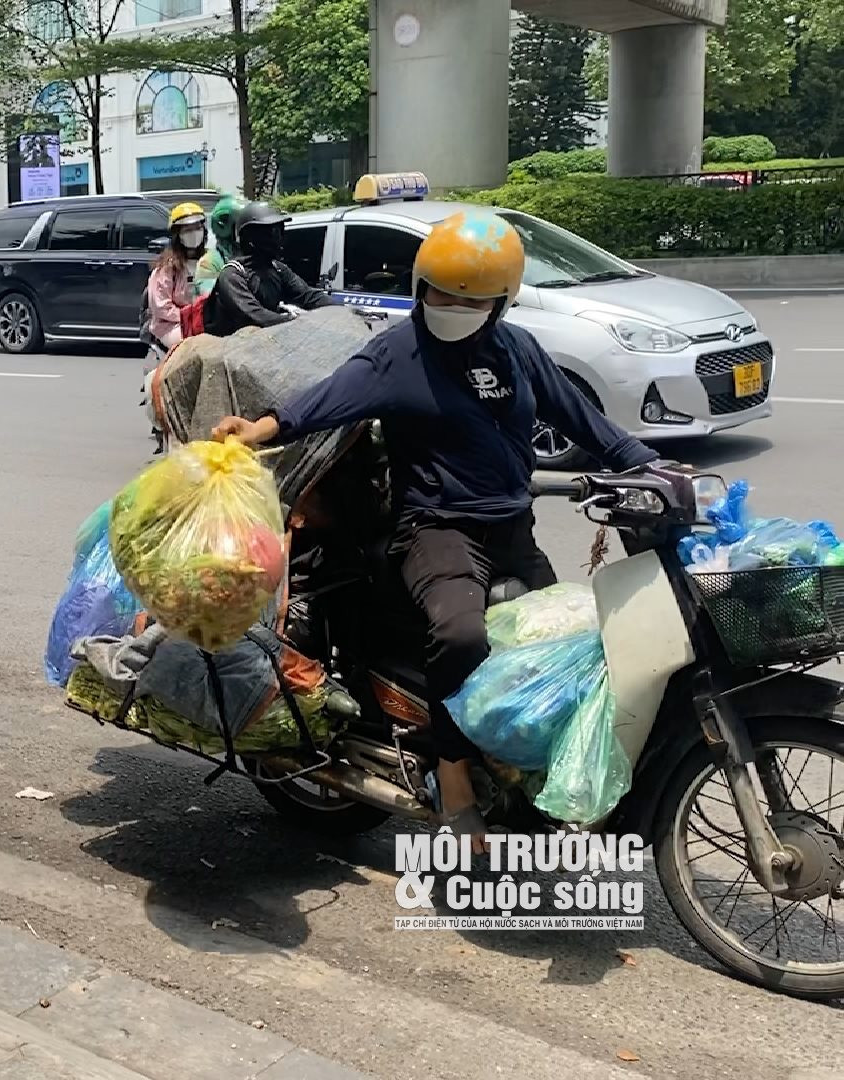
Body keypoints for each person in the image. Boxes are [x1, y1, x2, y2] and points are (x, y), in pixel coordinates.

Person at [209, 209, 657, 851]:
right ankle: (453, 776)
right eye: (439, 291)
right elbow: (332, 395)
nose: (450, 305)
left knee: (559, 646)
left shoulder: (519, 350)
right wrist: (263, 428)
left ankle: (518, 767)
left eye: (468, 297)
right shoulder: (399, 351)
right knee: (461, 632)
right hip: (434, 529)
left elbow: (584, 421)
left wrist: (650, 466)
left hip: (511, 528)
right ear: (420, 286)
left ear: (500, 302)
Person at [204, 201, 333, 336]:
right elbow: (255, 315)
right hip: (232, 348)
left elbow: (308, 295)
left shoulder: (277, 268)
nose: (280, 239)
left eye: (280, 231)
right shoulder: (232, 275)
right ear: (251, 238)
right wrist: (293, 320)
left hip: (265, 343)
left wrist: (343, 309)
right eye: (273, 233)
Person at [145, 202, 210, 351]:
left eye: (197, 228)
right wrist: (189, 316)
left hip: (205, 322)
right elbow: (161, 307)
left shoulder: (211, 261)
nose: (194, 233)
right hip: (171, 325)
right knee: (193, 348)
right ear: (177, 235)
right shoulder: (167, 268)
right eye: (187, 230)